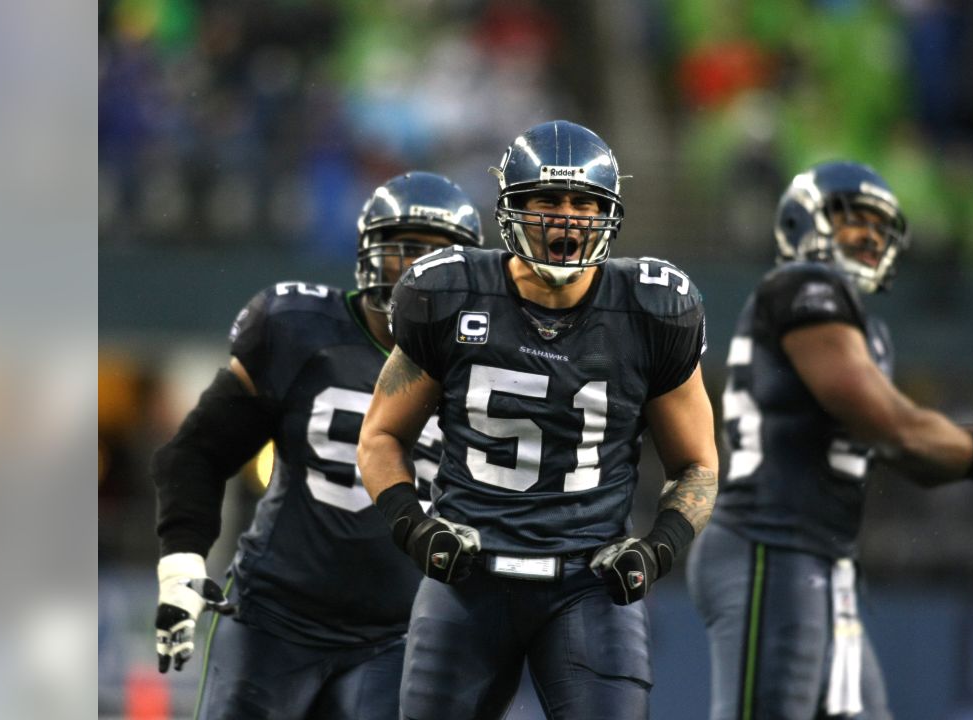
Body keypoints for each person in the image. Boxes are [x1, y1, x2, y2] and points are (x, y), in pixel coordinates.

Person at [685, 161, 973, 720]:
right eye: (855, 219)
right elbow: (891, 425)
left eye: (881, 225)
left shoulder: (866, 330)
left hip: (823, 561)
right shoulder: (804, 286)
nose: (871, 235)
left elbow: (913, 453)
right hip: (770, 546)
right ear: (806, 223)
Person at [357, 120, 720, 720]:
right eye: (546, 200)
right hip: (467, 574)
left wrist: (657, 550)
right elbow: (380, 436)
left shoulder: (655, 308)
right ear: (511, 209)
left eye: (584, 203)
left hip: (589, 583)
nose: (567, 217)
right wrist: (413, 528)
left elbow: (698, 466)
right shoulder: (447, 291)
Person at [150, 172, 484, 718]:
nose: (421, 274)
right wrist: (181, 564)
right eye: (406, 252)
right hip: (275, 619)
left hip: (399, 633)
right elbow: (197, 451)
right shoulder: (299, 327)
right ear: (370, 256)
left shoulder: (483, 360)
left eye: (439, 261)